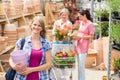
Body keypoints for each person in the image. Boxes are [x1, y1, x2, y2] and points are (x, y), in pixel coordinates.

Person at [70, 9, 94, 80]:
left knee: (81, 66)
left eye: (80, 16)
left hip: (83, 47)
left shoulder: (90, 24)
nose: (79, 18)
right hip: (77, 45)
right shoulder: (81, 23)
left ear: (85, 16)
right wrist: (74, 35)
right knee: (78, 66)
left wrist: (81, 37)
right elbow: (80, 32)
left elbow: (91, 36)